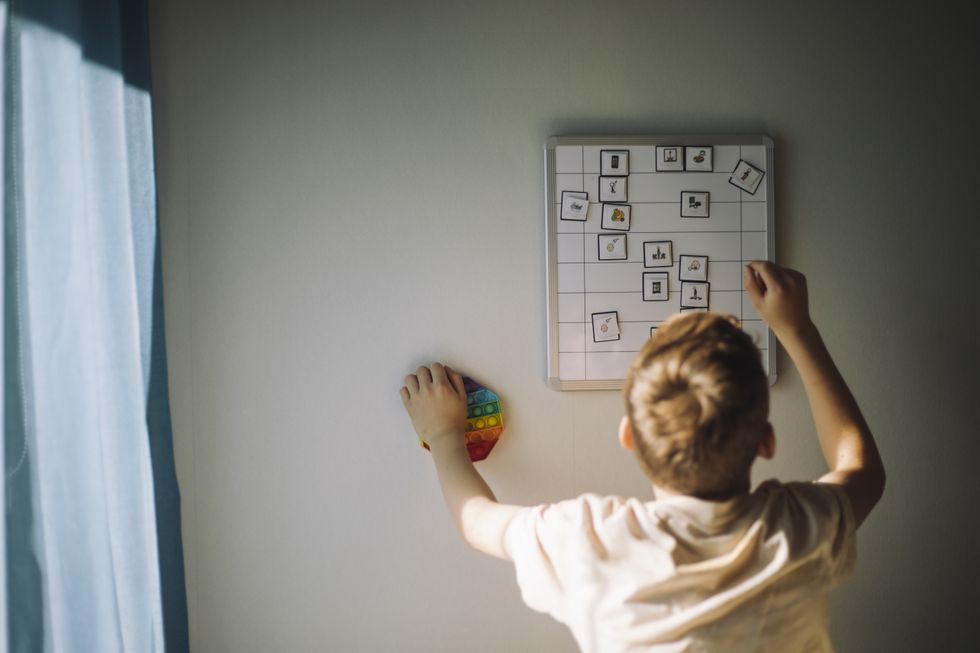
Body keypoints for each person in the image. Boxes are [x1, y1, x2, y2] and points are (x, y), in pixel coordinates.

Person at [400, 261, 885, 652]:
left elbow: (478, 521)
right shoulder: (796, 528)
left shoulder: (592, 542)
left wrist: (444, 433)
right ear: (766, 441)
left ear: (628, 436)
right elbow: (860, 466)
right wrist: (798, 331)